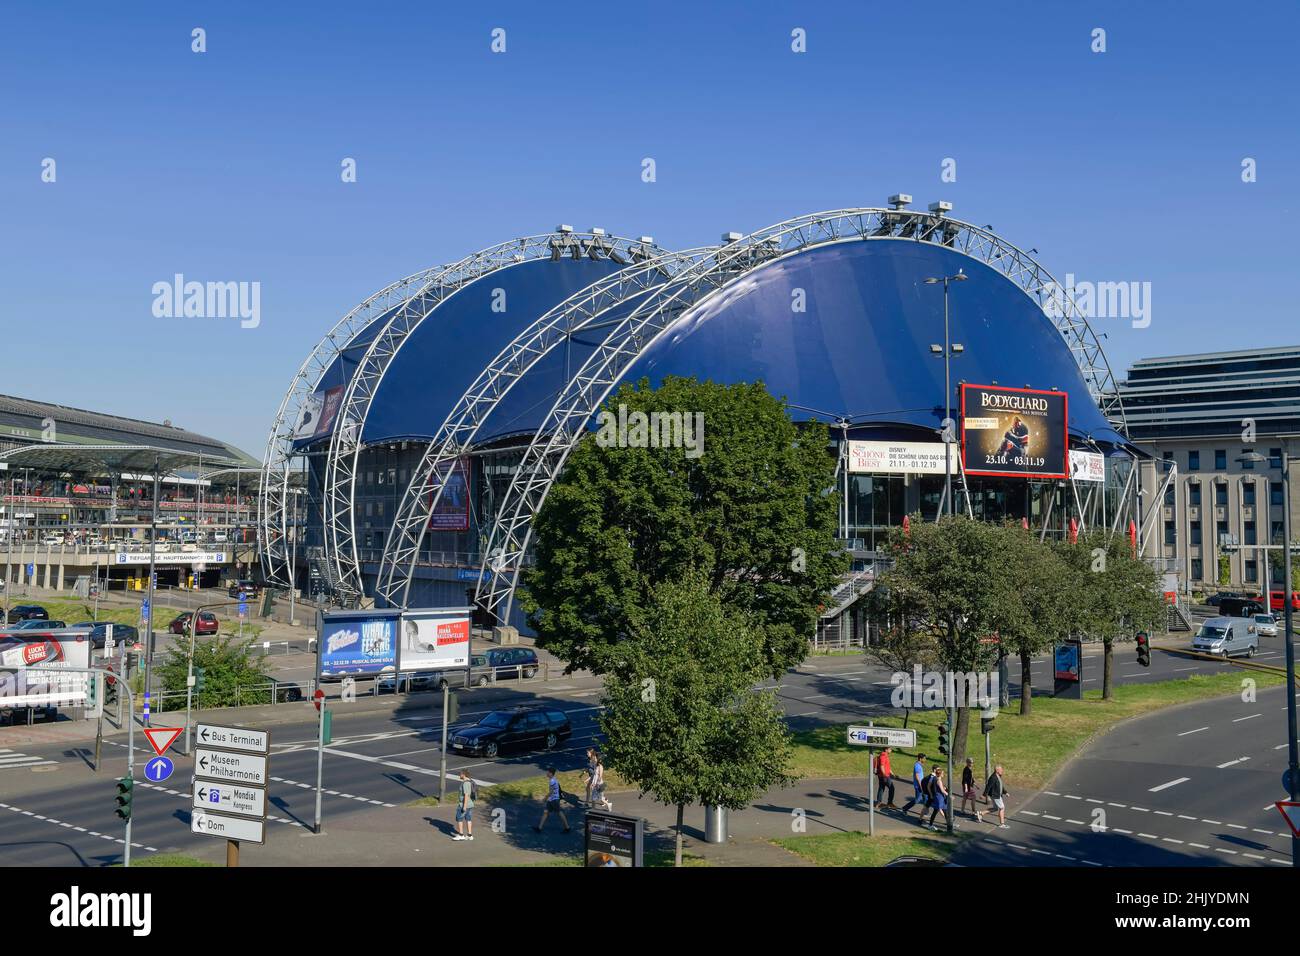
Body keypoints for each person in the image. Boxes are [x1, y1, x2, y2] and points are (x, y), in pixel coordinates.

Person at [534, 767, 571, 834]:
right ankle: (539, 828)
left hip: (554, 800)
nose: (547, 773)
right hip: (551, 800)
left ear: (551, 773)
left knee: (559, 812)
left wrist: (544, 798)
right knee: (546, 812)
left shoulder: (552, 781)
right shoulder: (553, 780)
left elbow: (551, 792)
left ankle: (567, 827)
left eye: (548, 772)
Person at [452, 768, 475, 841]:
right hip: (470, 804)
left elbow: (466, 795)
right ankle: (469, 835)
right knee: (468, 819)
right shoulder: (470, 781)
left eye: (460, 774)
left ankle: (461, 835)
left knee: (459, 819)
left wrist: (464, 806)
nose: (459, 775)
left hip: (464, 805)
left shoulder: (465, 783)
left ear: (463, 774)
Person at [926, 767, 948, 831]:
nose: (943, 774)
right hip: (939, 798)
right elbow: (942, 790)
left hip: (940, 797)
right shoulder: (939, 781)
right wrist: (949, 795)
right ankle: (930, 825)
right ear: (940, 774)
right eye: (942, 773)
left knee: (945, 810)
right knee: (935, 811)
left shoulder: (935, 779)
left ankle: (948, 823)